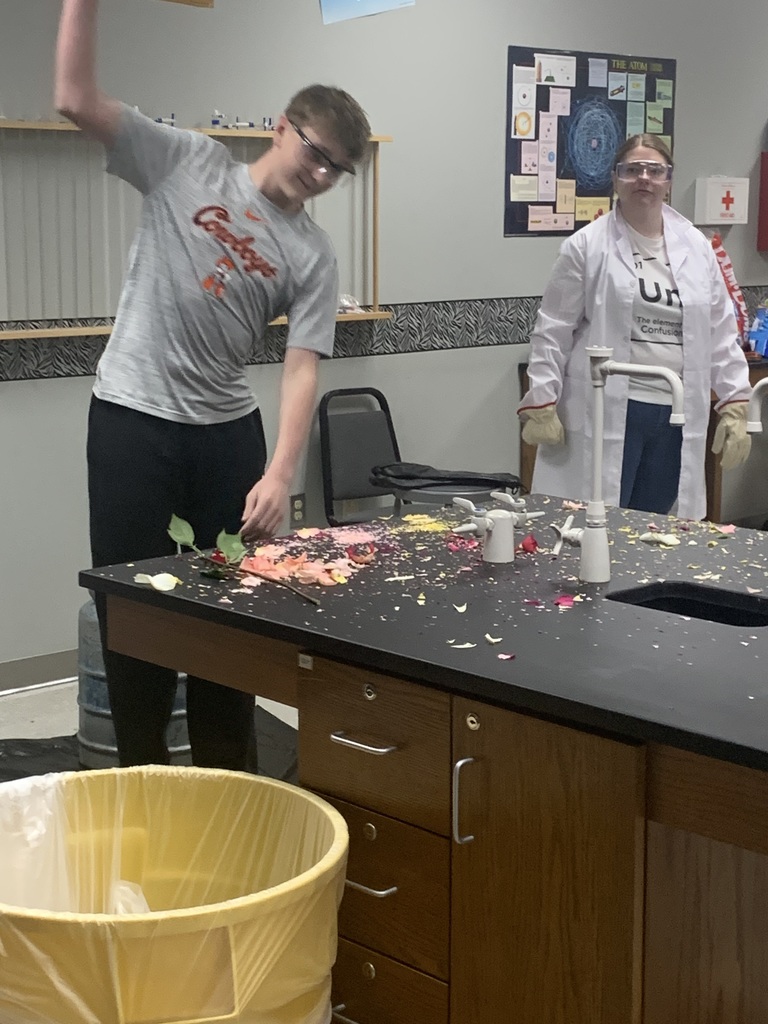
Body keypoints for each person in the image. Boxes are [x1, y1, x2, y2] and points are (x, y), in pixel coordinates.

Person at [55, 0, 371, 768]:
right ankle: (144, 783)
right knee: (135, 619)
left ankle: (232, 793)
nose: (320, 174)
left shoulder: (313, 254)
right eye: (315, 152)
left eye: (336, 168)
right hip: (132, 422)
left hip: (226, 439)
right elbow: (74, 98)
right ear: (280, 127)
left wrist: (280, 473)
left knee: (230, 624)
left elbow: (301, 365)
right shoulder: (186, 161)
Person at [518, 134, 751, 520]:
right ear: (615, 178)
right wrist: (541, 400)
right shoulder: (586, 245)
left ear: (668, 180)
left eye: (655, 170)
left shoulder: (696, 247)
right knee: (597, 519)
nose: (644, 178)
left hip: (675, 412)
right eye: (632, 170)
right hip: (610, 406)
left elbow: (720, 330)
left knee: (654, 524)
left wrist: (735, 402)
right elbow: (553, 329)